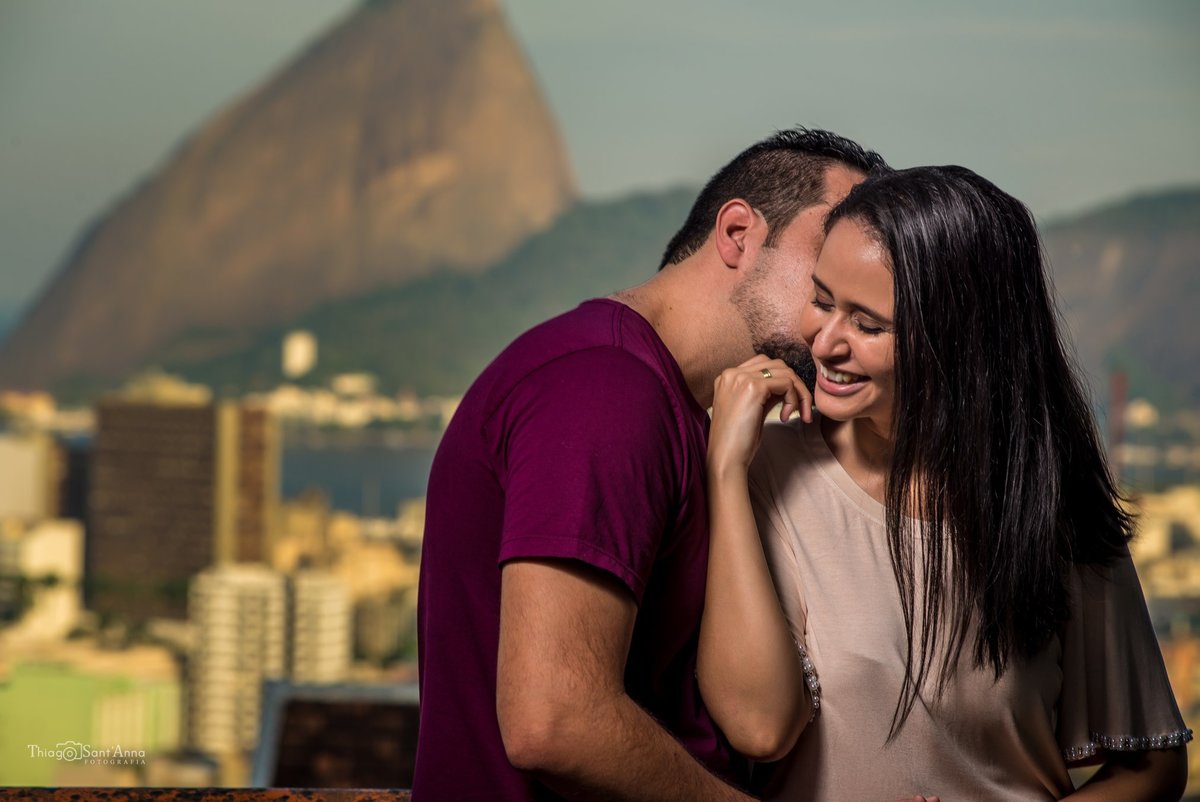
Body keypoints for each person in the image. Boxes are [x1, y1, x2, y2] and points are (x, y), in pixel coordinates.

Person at [412, 129, 891, 800]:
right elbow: (552, 720)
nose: (837, 311)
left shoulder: (662, 403)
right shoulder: (604, 389)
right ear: (736, 233)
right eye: (824, 271)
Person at [699, 165, 1192, 800]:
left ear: (957, 344)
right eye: (822, 300)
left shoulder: (1048, 502)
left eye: (867, 325)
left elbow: (1153, 769)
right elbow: (757, 727)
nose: (824, 342)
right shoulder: (765, 469)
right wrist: (723, 470)